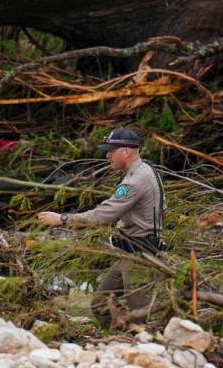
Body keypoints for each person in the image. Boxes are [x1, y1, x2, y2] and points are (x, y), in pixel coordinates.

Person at [38, 128, 165, 328]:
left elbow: (103, 215)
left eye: (111, 151)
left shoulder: (136, 180)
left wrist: (63, 219)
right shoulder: (144, 170)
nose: (107, 155)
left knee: (140, 314)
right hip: (131, 252)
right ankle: (118, 339)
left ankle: (143, 342)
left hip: (140, 253)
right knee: (101, 304)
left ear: (126, 152)